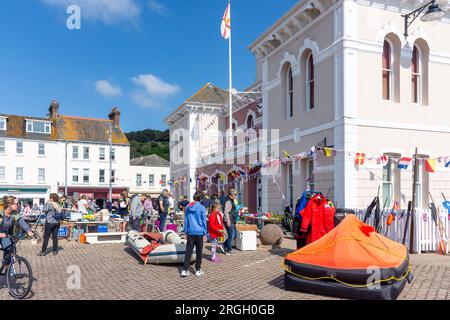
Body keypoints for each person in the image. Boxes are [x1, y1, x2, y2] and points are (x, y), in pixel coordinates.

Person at [0, 196, 33, 274]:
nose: (18, 205)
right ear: (9, 205)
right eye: (16, 204)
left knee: (9, 249)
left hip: (5, 234)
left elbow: (21, 221)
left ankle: (7, 268)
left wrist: (28, 231)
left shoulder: (14, 213)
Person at [180, 192, 207, 277]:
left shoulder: (188, 207)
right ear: (201, 199)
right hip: (199, 232)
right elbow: (204, 221)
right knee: (199, 251)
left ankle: (185, 270)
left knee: (188, 251)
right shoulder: (202, 207)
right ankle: (198, 269)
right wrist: (204, 232)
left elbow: (186, 220)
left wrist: (186, 231)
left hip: (191, 231)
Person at [223, 189, 238, 255]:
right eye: (235, 195)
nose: (236, 196)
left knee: (234, 235)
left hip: (232, 220)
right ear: (232, 195)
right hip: (229, 220)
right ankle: (228, 250)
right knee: (231, 235)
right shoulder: (229, 201)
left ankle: (225, 245)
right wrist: (228, 221)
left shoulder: (231, 200)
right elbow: (226, 212)